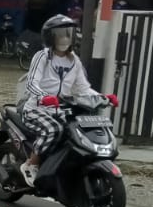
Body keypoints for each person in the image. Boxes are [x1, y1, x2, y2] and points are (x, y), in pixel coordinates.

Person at [17, 13, 105, 184]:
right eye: (59, 34)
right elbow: (31, 83)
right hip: (36, 108)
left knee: (77, 133)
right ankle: (31, 164)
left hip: (61, 109)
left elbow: (83, 88)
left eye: (68, 33)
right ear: (50, 37)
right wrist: (44, 97)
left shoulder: (75, 61)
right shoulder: (42, 57)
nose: (64, 38)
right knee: (53, 129)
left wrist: (102, 97)